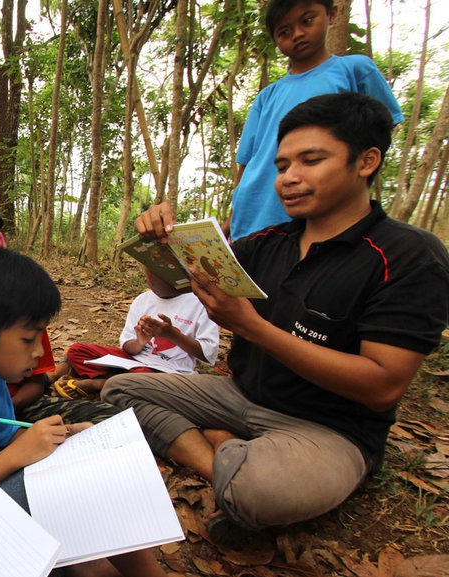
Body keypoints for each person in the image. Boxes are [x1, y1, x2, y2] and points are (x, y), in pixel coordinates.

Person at [105, 93, 449, 548]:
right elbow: (169, 288)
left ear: (366, 161)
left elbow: (382, 385)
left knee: (258, 494)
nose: (289, 178)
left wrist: (251, 326)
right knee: (119, 388)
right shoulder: (264, 244)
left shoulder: (409, 257)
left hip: (327, 426)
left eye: (311, 160)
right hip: (238, 393)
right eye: (283, 165)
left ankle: (243, 465)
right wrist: (158, 246)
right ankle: (224, 456)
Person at [0, 246, 165, 577]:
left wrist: (63, 439)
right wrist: (16, 456)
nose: (40, 352)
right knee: (73, 489)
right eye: (28, 339)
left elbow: (6, 438)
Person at [226, 0, 403, 241]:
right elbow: (247, 162)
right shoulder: (267, 96)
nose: (298, 34)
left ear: (332, 15)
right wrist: (232, 218)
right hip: (254, 214)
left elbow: (382, 129)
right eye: (284, 32)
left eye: (307, 21)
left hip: (314, 213)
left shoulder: (354, 70)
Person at [49, 267, 219, 400]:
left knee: (147, 381)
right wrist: (139, 342)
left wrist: (170, 334)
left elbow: (208, 355)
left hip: (168, 372)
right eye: (148, 271)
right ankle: (117, 381)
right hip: (134, 363)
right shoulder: (142, 300)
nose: (151, 278)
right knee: (77, 351)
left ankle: (99, 384)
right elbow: (128, 347)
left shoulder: (200, 303)